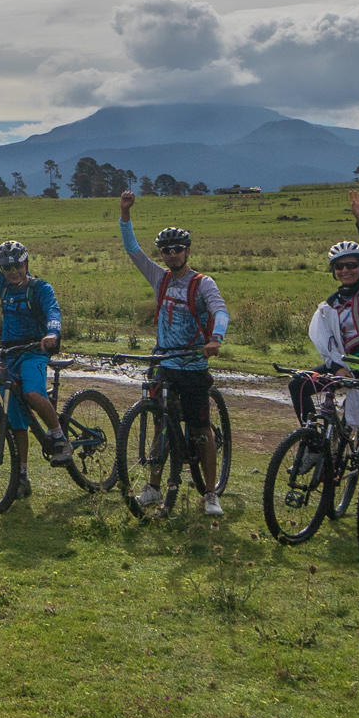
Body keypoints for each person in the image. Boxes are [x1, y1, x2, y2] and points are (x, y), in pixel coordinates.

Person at [118, 190, 231, 517]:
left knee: (201, 429)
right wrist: (125, 214)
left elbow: (220, 311)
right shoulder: (160, 278)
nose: (171, 255)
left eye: (177, 249)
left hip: (194, 365)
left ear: (187, 251)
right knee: (160, 425)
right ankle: (153, 487)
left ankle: (210, 494)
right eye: (166, 251)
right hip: (164, 363)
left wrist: (216, 339)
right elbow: (133, 251)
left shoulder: (202, 283)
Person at [0, 202, 70, 488]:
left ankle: (59, 436)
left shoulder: (40, 288)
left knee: (34, 394)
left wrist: (52, 334)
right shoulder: (4, 287)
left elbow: (54, 311)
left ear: (26, 264)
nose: (12, 271)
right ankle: (22, 475)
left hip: (35, 351)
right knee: (16, 421)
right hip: (8, 356)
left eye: (17, 266)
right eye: (6, 267)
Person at [302, 190, 359, 445]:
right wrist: (335, 367)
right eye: (339, 267)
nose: (346, 270)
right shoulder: (331, 304)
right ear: (333, 271)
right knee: (299, 385)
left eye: (352, 265)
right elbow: (325, 340)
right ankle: (312, 441)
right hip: (345, 368)